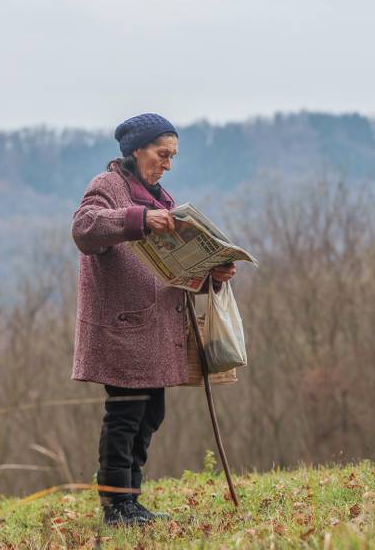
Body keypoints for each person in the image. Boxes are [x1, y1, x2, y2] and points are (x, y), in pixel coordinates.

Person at [71, 113, 236, 526]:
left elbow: (171, 270)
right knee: (125, 416)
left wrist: (211, 275)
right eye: (163, 154)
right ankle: (115, 507)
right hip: (123, 330)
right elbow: (84, 228)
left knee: (150, 416)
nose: (168, 164)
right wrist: (140, 220)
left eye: (172, 156)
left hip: (158, 332)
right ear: (136, 150)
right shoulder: (107, 186)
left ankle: (131, 501)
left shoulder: (162, 198)